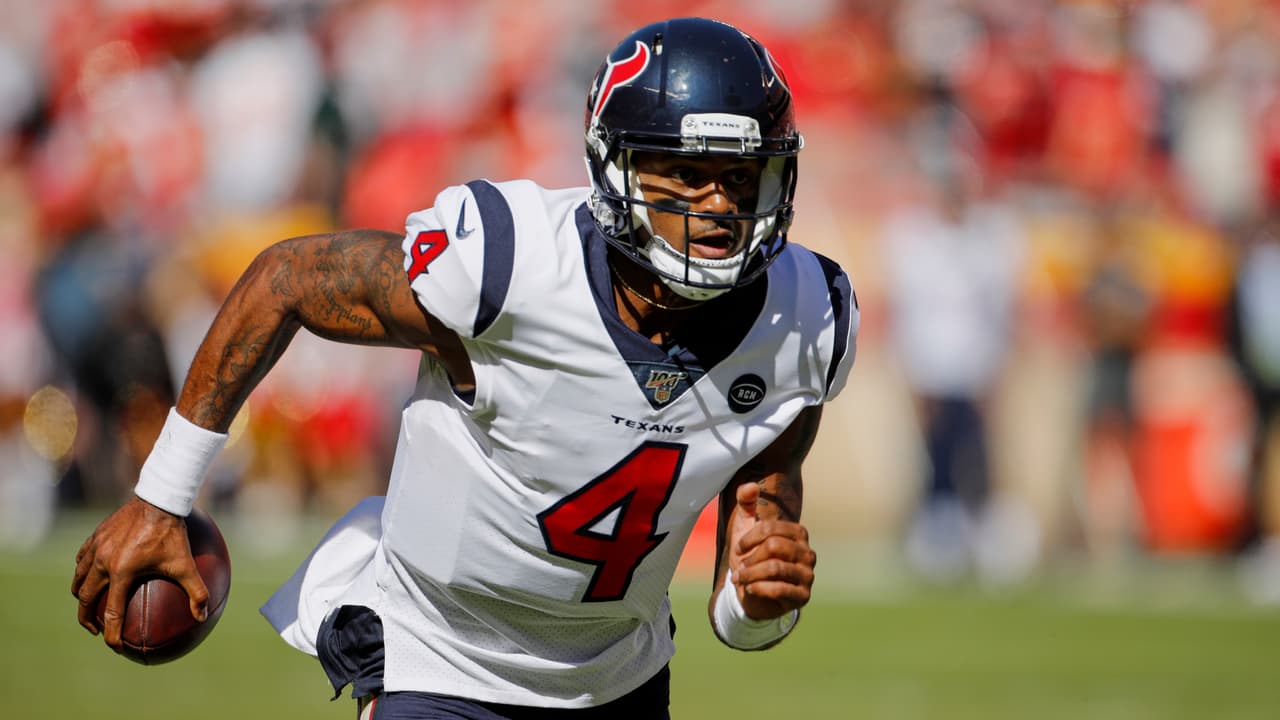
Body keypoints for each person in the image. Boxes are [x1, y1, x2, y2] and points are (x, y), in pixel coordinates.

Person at [71, 17, 859, 719]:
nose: (719, 206)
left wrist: (759, 605)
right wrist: (162, 494)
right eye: (687, 173)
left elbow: (744, 587)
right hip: (438, 655)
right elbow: (287, 280)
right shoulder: (510, 266)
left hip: (617, 680)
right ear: (614, 168)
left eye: (740, 177)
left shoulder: (804, 321)